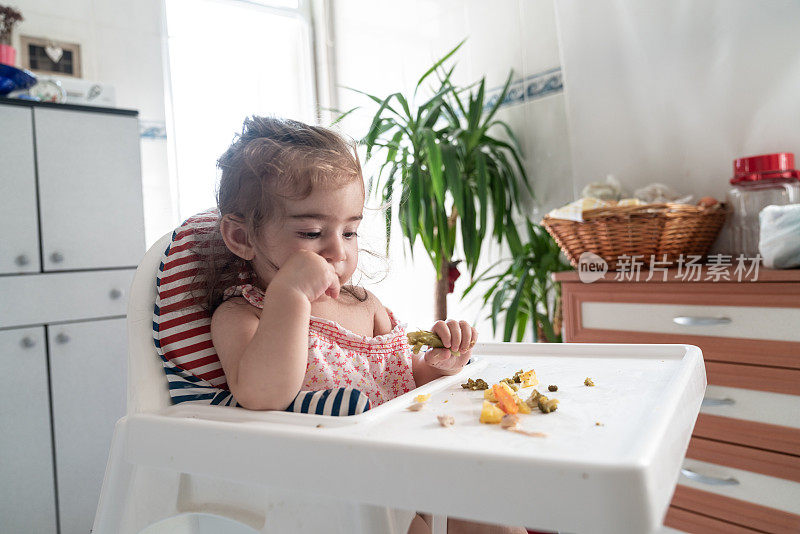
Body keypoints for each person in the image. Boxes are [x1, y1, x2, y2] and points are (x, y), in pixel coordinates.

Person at [206, 116, 526, 534]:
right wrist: (290, 295)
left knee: (496, 518)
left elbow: (403, 379)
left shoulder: (366, 305)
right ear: (242, 238)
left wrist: (441, 365)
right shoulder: (245, 315)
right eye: (311, 231)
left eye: (351, 232)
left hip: (414, 458)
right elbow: (261, 396)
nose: (338, 250)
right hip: (338, 489)